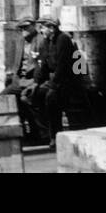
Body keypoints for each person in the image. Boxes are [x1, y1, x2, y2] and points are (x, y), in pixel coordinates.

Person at [31, 14, 79, 149]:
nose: (41, 30)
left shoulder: (63, 39)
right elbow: (43, 65)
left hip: (67, 81)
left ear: (51, 28)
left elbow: (63, 67)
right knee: (30, 96)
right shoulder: (46, 42)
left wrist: (52, 85)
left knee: (51, 97)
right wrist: (36, 83)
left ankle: (55, 135)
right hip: (54, 81)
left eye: (43, 27)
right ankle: (43, 133)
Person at [2, 16, 45, 143]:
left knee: (26, 98)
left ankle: (39, 133)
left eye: (26, 27)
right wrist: (11, 77)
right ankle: (20, 130)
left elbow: (42, 67)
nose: (23, 30)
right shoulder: (20, 41)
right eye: (21, 28)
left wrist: (35, 82)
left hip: (34, 80)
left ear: (33, 26)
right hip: (20, 80)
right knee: (5, 97)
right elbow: (14, 64)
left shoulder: (41, 41)